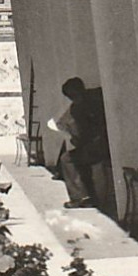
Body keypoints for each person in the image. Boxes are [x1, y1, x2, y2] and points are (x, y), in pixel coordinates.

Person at [52, 76, 111, 214]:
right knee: (79, 158)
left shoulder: (79, 108)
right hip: (103, 144)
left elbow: (85, 132)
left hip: (100, 145)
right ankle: (89, 196)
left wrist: (75, 138)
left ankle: (80, 197)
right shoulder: (97, 96)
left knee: (67, 159)